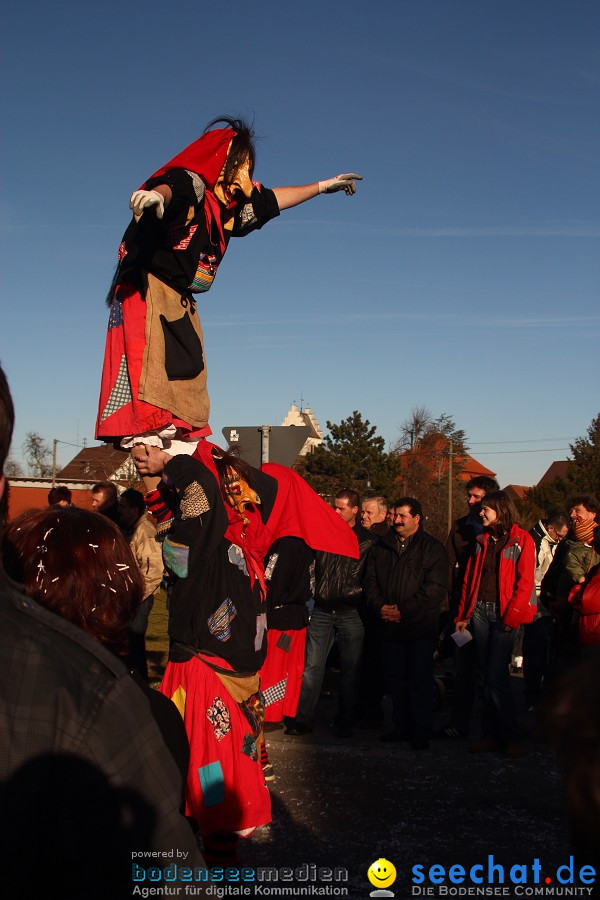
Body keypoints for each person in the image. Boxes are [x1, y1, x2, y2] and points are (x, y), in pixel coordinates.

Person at [0, 364, 203, 897]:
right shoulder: (102, 701)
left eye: (143, 453)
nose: (136, 460)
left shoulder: (104, 700)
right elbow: (172, 877)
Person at [132, 441, 359, 863]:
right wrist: (151, 468)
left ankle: (210, 862)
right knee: (221, 769)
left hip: (205, 670)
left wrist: (169, 460)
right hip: (220, 669)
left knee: (204, 771)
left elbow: (193, 502)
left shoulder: (216, 543)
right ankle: (215, 854)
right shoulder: (245, 548)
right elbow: (175, 512)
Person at [96, 116, 361, 455]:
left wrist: (324, 186)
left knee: (186, 400)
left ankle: (183, 476)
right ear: (222, 165)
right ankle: (154, 483)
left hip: (181, 306)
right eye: (241, 169)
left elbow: (272, 201)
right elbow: (175, 186)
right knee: (149, 403)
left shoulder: (227, 211)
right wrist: (155, 196)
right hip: (149, 298)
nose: (246, 181)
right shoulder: (194, 188)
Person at [286, 490, 376, 739]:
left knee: (350, 669)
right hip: (324, 608)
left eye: (341, 508)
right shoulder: (322, 535)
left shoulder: (367, 542)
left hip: (351, 611)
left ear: (355, 511)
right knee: (313, 666)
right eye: (334, 507)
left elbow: (370, 579)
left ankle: (346, 719)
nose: (336, 512)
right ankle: (304, 718)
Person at [456, 490, 536, 758]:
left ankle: (510, 736)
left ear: (500, 510)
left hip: (504, 614)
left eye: (486, 509)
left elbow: (525, 584)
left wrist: (512, 617)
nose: (481, 512)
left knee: (495, 677)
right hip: (479, 611)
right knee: (487, 677)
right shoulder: (483, 540)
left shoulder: (522, 540)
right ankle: (492, 735)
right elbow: (469, 579)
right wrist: (463, 615)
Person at [364, 497, 448, 750]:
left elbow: (435, 590)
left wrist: (403, 611)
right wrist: (380, 607)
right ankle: (401, 727)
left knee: (420, 681)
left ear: (416, 519)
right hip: (389, 626)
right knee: (396, 681)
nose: (396, 520)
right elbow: (370, 581)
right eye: (394, 515)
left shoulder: (432, 548)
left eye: (402, 516)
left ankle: (420, 731)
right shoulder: (382, 546)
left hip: (419, 626)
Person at [438, 475, 499, 739]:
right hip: (462, 609)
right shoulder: (461, 525)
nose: (470, 501)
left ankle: (492, 726)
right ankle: (459, 722)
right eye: (469, 496)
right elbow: (447, 563)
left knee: (491, 672)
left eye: (476, 497)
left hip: (491, 608)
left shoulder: (501, 532)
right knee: (463, 666)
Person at [522, 514, 569, 709]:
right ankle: (532, 696)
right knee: (535, 651)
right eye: (559, 535)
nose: (560, 539)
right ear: (550, 528)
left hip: (543, 600)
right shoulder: (535, 542)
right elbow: (533, 574)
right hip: (535, 601)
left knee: (541, 651)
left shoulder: (549, 541)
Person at [119, 487, 165, 680]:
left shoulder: (145, 532)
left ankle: (140, 685)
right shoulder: (133, 530)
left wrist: (136, 595)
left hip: (140, 598)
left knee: (135, 644)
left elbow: (154, 570)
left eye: (123, 506)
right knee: (128, 644)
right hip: (133, 595)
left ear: (135, 510)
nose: (119, 510)